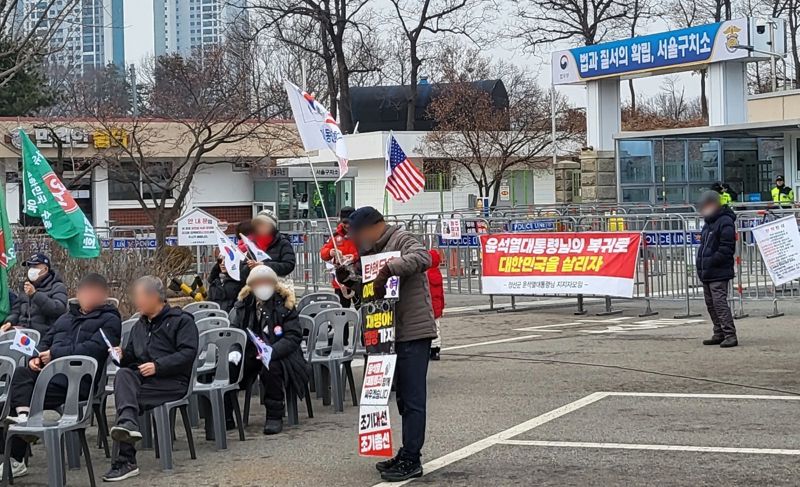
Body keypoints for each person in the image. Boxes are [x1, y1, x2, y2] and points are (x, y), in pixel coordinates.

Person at [337, 207, 437, 482]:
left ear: (372, 227)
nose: (355, 241)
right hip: (385, 334)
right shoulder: (369, 252)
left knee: (414, 398)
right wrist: (350, 279)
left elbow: (422, 257)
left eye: (356, 234)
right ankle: (406, 451)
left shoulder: (402, 239)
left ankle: (412, 458)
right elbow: (369, 291)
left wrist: (389, 269)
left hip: (412, 331)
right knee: (400, 397)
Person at [0, 274, 121, 479]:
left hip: (79, 382)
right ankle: (23, 419)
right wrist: (36, 358)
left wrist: (56, 355)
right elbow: (45, 342)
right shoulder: (66, 318)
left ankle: (15, 456)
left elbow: (92, 349)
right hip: (50, 379)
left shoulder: (110, 320)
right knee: (19, 379)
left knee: (13, 399)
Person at [104, 276, 198, 482]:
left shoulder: (181, 321)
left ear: (154, 297)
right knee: (123, 376)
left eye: (139, 297)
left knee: (126, 400)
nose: (136, 302)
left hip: (173, 382)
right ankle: (128, 429)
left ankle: (125, 461)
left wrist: (158, 366)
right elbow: (131, 356)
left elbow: (188, 354)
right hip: (144, 381)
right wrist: (121, 355)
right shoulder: (140, 325)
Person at [228, 265, 308, 435]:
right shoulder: (244, 304)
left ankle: (274, 415)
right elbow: (235, 331)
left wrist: (272, 351)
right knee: (230, 366)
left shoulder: (284, 304)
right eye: (258, 283)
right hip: (251, 350)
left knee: (271, 367)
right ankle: (227, 415)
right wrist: (235, 349)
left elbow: (293, 336)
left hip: (279, 351)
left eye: (266, 283)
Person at [696, 191, 738, 349]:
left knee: (719, 303)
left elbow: (727, 247)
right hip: (707, 270)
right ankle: (719, 332)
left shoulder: (725, 221)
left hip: (718, 270)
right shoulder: (709, 223)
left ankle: (730, 334)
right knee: (710, 303)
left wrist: (713, 260)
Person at [2, 253, 67, 335]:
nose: (31, 270)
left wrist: (35, 295)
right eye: (30, 267)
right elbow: (16, 310)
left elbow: (58, 309)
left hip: (45, 336)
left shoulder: (57, 287)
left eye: (35, 267)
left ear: (45, 269)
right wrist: (10, 321)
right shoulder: (26, 286)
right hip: (22, 335)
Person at [320, 206, 359, 307]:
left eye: (349, 222)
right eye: (344, 222)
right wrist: (331, 252)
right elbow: (323, 253)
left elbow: (369, 251)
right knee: (341, 311)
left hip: (358, 277)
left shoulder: (361, 234)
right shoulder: (335, 236)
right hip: (341, 280)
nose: (346, 225)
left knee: (362, 309)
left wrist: (354, 257)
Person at [242, 209, 296, 279]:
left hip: (277, 285)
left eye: (265, 225)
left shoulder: (283, 242)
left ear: (272, 227)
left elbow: (289, 265)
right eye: (258, 225)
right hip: (256, 284)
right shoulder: (253, 243)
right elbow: (243, 269)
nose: (261, 228)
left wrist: (264, 265)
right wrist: (250, 266)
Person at [426, 249, 445, 361]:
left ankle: (429, 348)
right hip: (437, 306)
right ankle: (436, 350)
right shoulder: (438, 274)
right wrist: (442, 306)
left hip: (428, 306)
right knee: (436, 328)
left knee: (427, 329)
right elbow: (441, 293)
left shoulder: (425, 273)